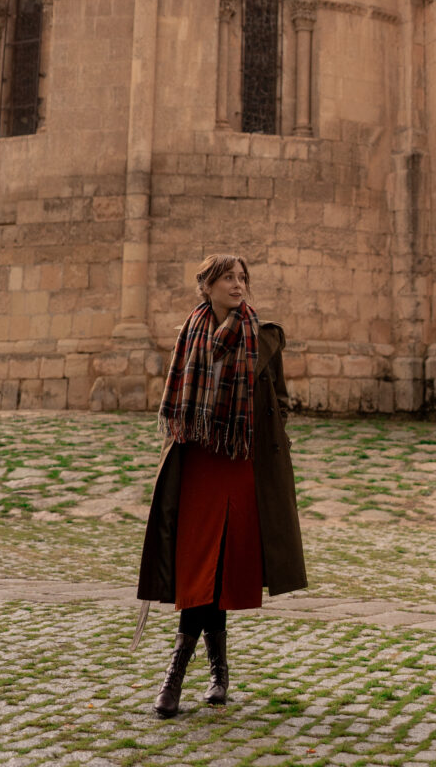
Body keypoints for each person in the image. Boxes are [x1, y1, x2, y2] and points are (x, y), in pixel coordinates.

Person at [136, 254, 307, 718]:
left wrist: (263, 437)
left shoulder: (263, 337)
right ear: (207, 287)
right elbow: (176, 397)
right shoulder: (189, 335)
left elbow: (281, 401)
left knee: (221, 571)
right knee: (200, 571)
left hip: (239, 464)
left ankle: (178, 678)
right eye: (228, 278)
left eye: (242, 277)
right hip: (197, 463)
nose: (238, 284)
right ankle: (214, 674)